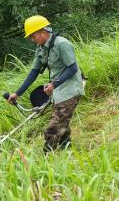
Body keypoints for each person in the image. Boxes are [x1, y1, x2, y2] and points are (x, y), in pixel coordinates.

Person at [7, 15, 85, 152]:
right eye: (30, 37)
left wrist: (54, 84)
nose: (32, 40)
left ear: (43, 32)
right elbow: (34, 72)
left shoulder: (62, 44)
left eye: (33, 36)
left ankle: (46, 157)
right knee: (62, 124)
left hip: (70, 89)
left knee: (54, 128)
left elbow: (72, 68)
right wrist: (17, 93)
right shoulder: (41, 48)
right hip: (58, 91)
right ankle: (68, 152)